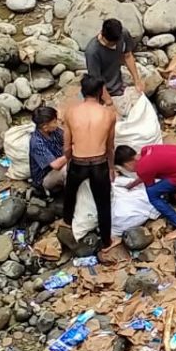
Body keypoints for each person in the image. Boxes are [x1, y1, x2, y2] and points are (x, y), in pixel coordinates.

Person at [62, 74, 117, 259]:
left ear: (82, 91)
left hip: (78, 162)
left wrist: (69, 160)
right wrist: (111, 167)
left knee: (69, 194)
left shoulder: (70, 112)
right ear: (100, 92)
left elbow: (67, 146)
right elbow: (110, 146)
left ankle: (68, 222)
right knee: (103, 204)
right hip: (99, 163)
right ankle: (107, 242)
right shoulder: (108, 114)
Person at [114, 143, 176, 241]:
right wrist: (131, 185)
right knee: (164, 171)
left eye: (125, 168)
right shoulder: (147, 150)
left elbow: (150, 186)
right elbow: (149, 172)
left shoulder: (142, 168)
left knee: (152, 195)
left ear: (127, 164)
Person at [84, 18, 142, 115]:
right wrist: (109, 102)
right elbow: (96, 81)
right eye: (110, 44)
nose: (114, 46)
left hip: (118, 77)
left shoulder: (123, 33)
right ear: (102, 34)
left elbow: (128, 56)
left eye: (116, 43)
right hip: (104, 88)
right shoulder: (92, 52)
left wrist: (137, 80)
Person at [29, 106, 66, 196]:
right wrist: (72, 153)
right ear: (45, 127)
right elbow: (55, 165)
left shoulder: (54, 131)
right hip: (45, 177)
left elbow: (67, 138)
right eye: (54, 122)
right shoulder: (36, 142)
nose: (57, 123)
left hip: (60, 163)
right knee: (69, 169)